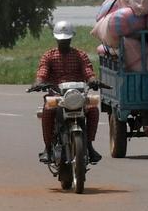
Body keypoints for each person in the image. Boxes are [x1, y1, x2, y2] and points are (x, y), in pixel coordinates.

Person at [35, 20, 101, 164]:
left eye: (67, 40)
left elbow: (88, 71)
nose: (64, 43)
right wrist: (39, 83)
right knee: (48, 111)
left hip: (77, 96)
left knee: (93, 110)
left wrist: (92, 80)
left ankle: (89, 146)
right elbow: (42, 72)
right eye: (61, 40)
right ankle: (47, 148)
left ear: (71, 38)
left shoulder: (80, 55)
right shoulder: (49, 56)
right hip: (57, 96)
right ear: (56, 39)